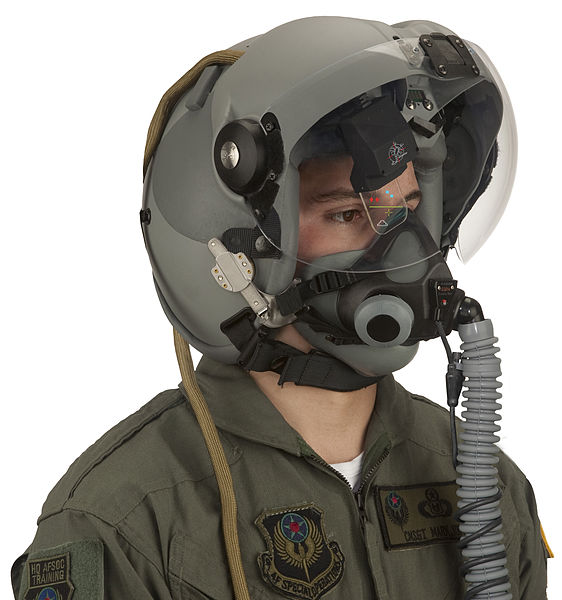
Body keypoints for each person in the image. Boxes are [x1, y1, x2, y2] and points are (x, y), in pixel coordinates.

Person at [11, 16, 551, 600]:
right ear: (237, 253)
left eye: (411, 208)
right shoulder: (125, 523)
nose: (406, 250)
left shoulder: (485, 488)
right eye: (348, 214)